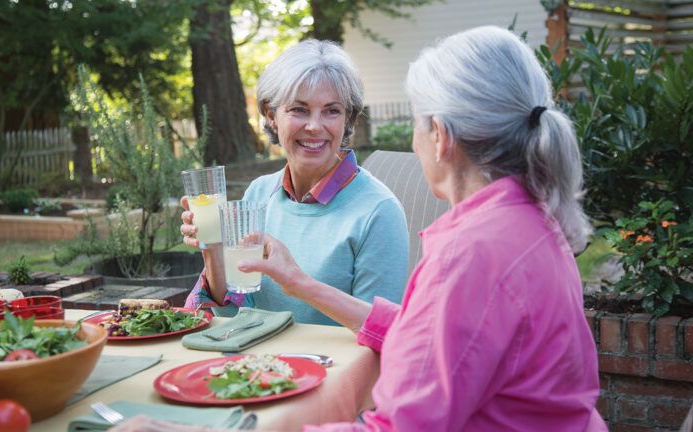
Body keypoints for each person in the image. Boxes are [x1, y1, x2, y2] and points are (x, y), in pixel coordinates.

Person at [113, 26, 606, 431]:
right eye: (298, 109)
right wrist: (288, 277)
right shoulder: (520, 222)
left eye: (416, 123)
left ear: (442, 136)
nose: (316, 125)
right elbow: (430, 337)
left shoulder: (474, 251)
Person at [181, 40, 409, 326]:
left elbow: (381, 332)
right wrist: (212, 250)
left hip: (334, 368)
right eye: (299, 110)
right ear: (270, 115)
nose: (314, 126)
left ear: (348, 118)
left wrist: (298, 282)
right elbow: (234, 315)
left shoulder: (378, 211)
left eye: (332, 111)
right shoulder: (259, 193)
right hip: (258, 366)